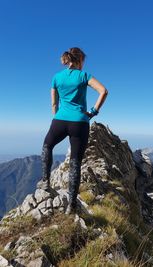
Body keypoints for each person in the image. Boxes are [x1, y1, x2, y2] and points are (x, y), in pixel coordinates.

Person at [36, 47, 108, 215]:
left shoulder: (56, 77)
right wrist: (93, 112)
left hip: (59, 120)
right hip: (80, 122)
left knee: (47, 146)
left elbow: (54, 104)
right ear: (79, 60)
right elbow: (103, 91)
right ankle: (71, 206)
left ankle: (46, 181)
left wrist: (57, 118)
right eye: (83, 61)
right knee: (75, 162)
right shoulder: (84, 76)